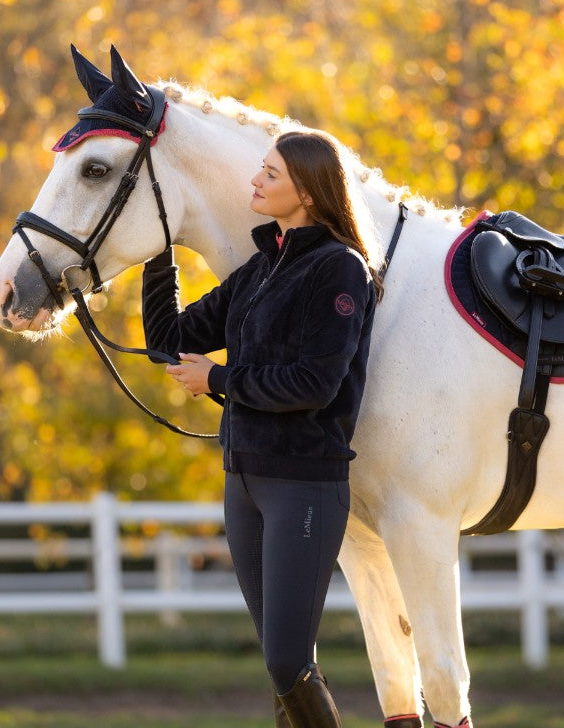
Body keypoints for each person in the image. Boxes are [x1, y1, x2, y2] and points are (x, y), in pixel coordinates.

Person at [141, 130, 382, 728]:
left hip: (304, 484)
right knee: (285, 665)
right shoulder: (259, 271)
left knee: (286, 659)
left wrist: (218, 381)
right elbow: (168, 341)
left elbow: (313, 385)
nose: (255, 181)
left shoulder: (339, 271)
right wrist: (157, 250)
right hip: (243, 480)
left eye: (270, 174)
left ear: (306, 190)